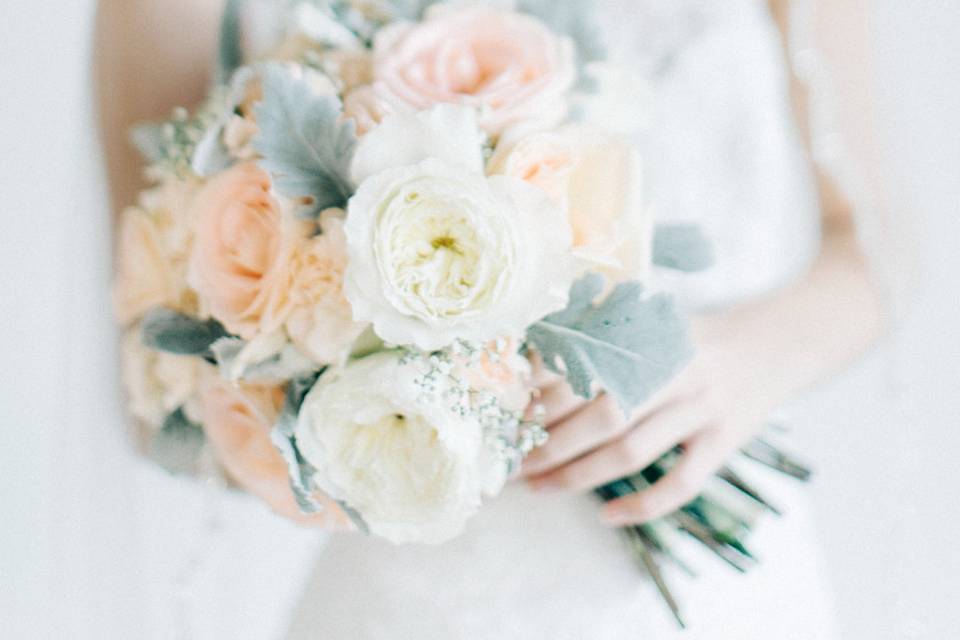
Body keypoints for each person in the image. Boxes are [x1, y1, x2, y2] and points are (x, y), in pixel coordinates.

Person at [95, 0, 888, 637]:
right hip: (420, 600)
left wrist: (740, 362)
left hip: (731, 588)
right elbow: (163, 369)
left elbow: (877, 256)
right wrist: (345, 364)